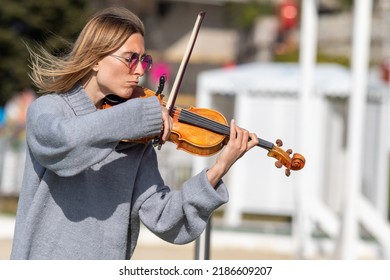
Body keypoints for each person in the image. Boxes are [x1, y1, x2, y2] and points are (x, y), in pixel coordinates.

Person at [10, 7, 259, 260]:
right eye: (130, 58)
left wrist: (218, 169)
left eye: (144, 60)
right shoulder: (49, 109)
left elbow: (165, 220)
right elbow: (64, 143)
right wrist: (139, 116)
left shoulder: (135, 140)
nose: (140, 71)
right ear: (96, 58)